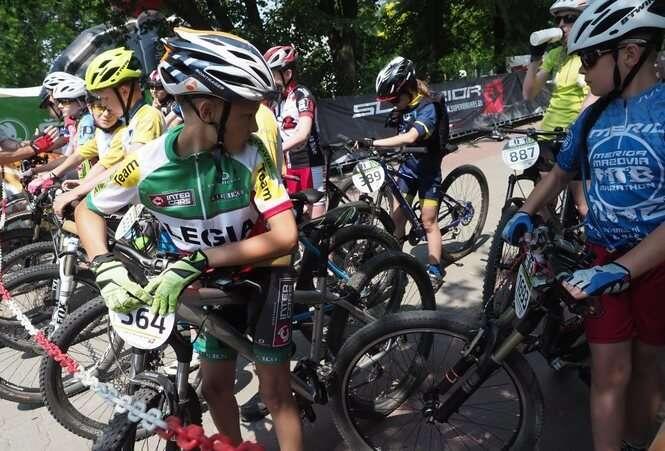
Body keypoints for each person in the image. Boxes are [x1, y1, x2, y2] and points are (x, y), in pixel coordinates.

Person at [75, 27, 303, 451]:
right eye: (247, 113)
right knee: (215, 388)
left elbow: (286, 236)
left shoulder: (252, 153)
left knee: (275, 392)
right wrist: (104, 266)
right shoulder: (149, 162)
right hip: (211, 283)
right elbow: (88, 210)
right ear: (208, 109)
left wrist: (200, 258)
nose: (255, 123)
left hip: (265, 274)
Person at [502, 2, 665, 450]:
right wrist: (525, 211)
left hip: (655, 264)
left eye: (590, 59)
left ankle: (637, 442)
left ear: (629, 55)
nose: (582, 70)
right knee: (610, 372)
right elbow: (560, 173)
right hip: (600, 261)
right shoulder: (591, 116)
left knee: (649, 365)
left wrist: (625, 268)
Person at [365, 56, 448, 289]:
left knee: (428, 221)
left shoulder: (427, 106)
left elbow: (410, 137)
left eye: (394, 100)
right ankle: (395, 266)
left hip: (428, 172)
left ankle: (435, 268)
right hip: (408, 169)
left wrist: (374, 143)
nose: (392, 105)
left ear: (408, 89)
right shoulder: (403, 106)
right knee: (396, 220)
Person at [53, 47, 164, 215]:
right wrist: (84, 184)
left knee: (85, 212)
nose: (104, 105)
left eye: (105, 98)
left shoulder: (148, 116)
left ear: (124, 92)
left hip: (157, 207)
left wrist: (80, 191)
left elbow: (131, 166)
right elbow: (107, 164)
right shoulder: (130, 124)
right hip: (143, 203)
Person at [523, 0, 596, 216]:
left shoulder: (593, 52)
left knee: (583, 206)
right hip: (548, 135)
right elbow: (528, 93)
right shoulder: (556, 54)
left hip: (577, 136)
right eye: (558, 20)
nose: (562, 24)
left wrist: (575, 129)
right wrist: (535, 58)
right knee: (543, 203)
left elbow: (593, 97)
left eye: (569, 18)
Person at [263, 44, 326, 218]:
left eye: (272, 74)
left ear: (287, 74)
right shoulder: (276, 100)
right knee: (296, 217)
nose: (270, 80)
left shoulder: (302, 95)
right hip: (289, 166)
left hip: (309, 162)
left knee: (316, 219)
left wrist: (274, 150)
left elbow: (303, 134)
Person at [28, 76, 95, 192]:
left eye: (64, 101)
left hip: (91, 179)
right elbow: (68, 158)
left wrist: (49, 175)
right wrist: (37, 171)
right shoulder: (79, 121)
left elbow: (79, 156)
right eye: (58, 101)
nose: (59, 105)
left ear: (80, 102)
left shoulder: (87, 121)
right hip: (86, 177)